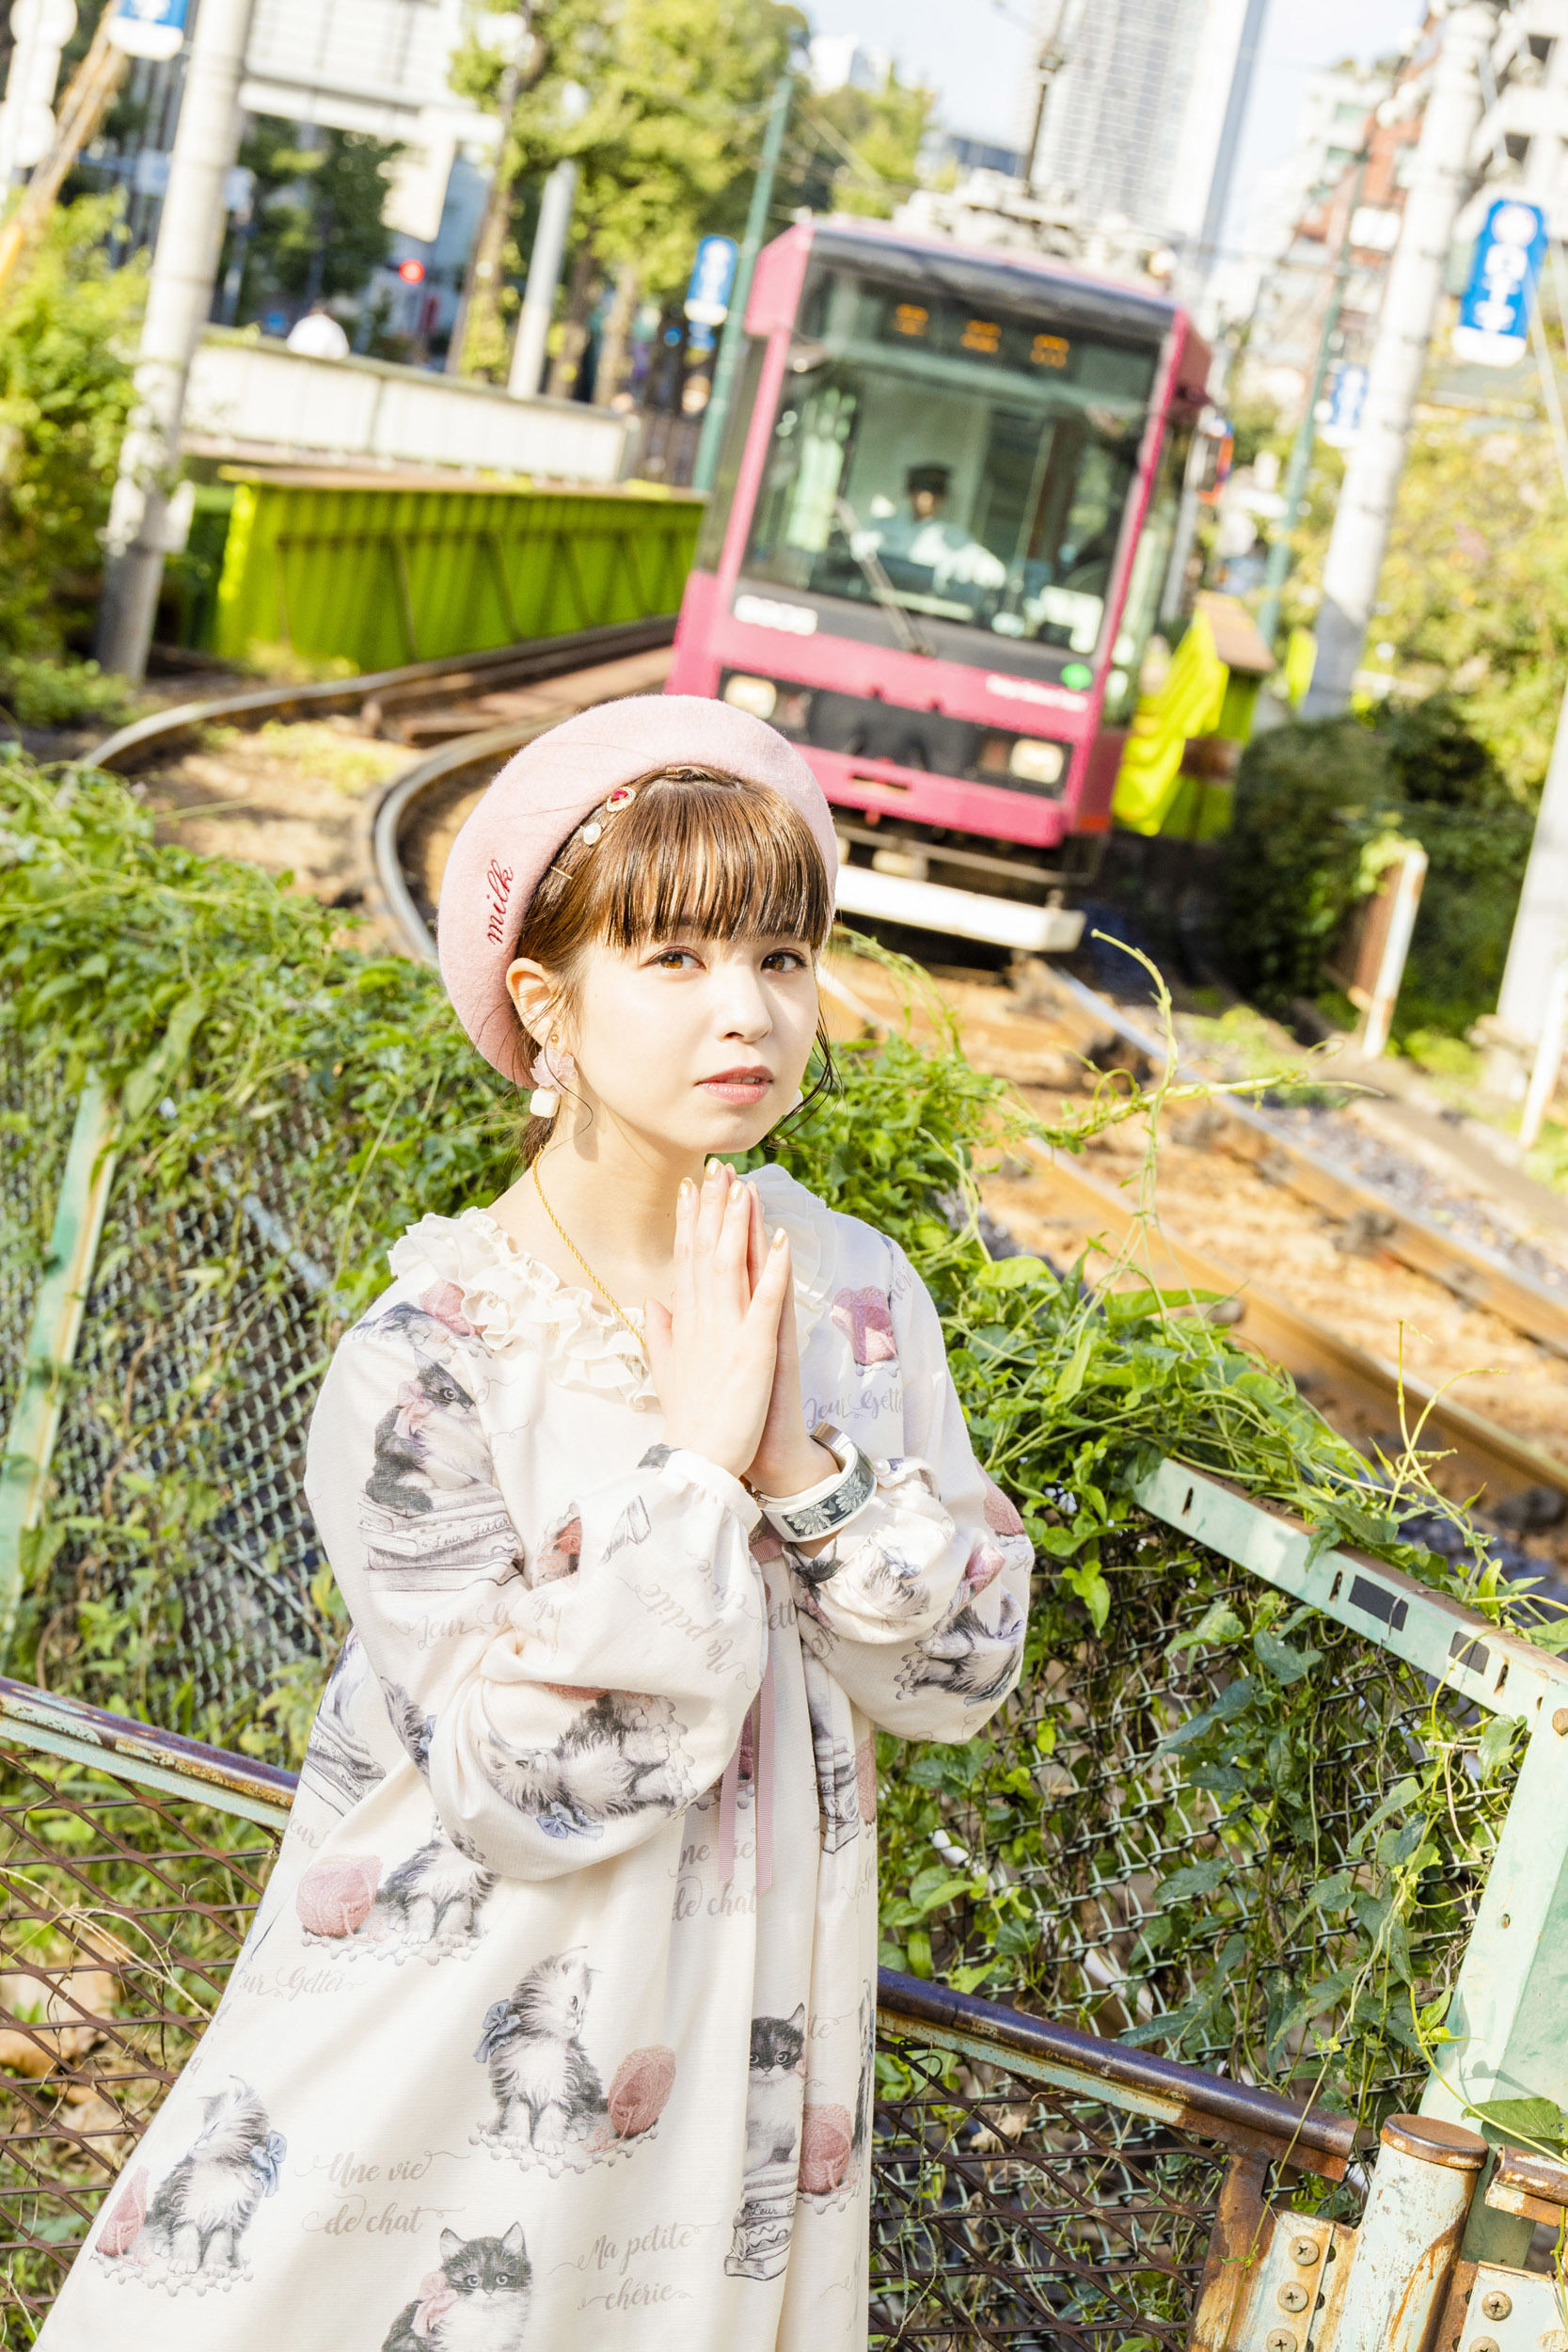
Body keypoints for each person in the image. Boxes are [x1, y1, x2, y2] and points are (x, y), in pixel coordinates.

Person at [38, 696, 1032, 2352]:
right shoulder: (431, 1359)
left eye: (783, 959)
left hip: (739, 2059)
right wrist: (694, 1484)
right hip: (449, 2048)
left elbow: (964, 1670)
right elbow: (519, 1787)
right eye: (675, 960)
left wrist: (795, 1463)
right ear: (540, 1000)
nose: (750, 1012)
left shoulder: (853, 1293)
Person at [852, 462, 1006, 594]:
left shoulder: (952, 537)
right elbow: (857, 550)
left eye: (936, 494)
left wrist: (987, 571)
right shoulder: (881, 526)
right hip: (874, 598)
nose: (928, 500)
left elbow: (986, 568)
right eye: (922, 492)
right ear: (910, 492)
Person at [285, 303, 351, 359]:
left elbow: (291, 344)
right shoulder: (334, 327)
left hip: (297, 359)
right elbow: (341, 353)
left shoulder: (305, 322)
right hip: (321, 364)